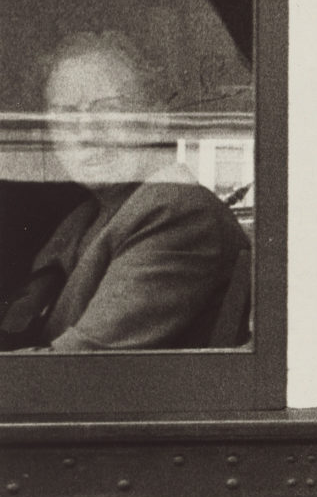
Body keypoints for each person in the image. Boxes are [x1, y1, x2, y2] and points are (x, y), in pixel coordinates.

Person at [0, 31, 250, 351]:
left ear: (156, 120)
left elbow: (76, 365)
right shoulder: (86, 216)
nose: (86, 133)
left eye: (108, 109)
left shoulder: (176, 211)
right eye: (66, 115)